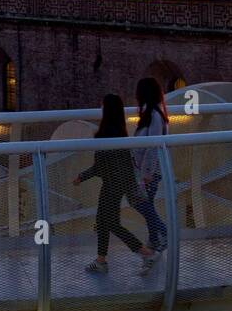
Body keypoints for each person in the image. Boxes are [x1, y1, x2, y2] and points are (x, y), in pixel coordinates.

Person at [73, 94, 158, 275]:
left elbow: (100, 167)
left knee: (110, 223)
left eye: (103, 106)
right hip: (119, 184)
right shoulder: (119, 131)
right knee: (104, 222)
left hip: (112, 185)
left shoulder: (106, 134)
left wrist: (82, 176)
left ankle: (146, 253)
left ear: (107, 110)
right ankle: (101, 260)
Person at [132, 77, 170, 255]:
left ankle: (164, 233)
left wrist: (146, 173)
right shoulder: (151, 113)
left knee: (140, 203)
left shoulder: (154, 115)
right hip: (147, 171)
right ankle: (154, 239)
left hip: (149, 173)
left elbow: (153, 145)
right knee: (147, 204)